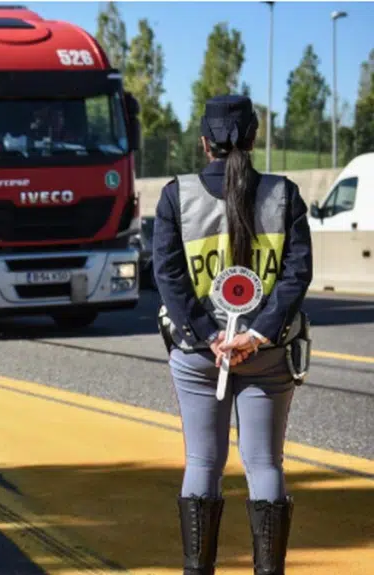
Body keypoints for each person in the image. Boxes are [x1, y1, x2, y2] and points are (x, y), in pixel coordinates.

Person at [152, 95, 313, 575]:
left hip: (200, 354)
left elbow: (169, 277)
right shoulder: (284, 195)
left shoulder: (175, 196)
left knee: (203, 463)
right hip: (267, 354)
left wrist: (208, 336)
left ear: (204, 142)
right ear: (253, 137)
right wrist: (258, 335)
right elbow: (296, 275)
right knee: (265, 466)